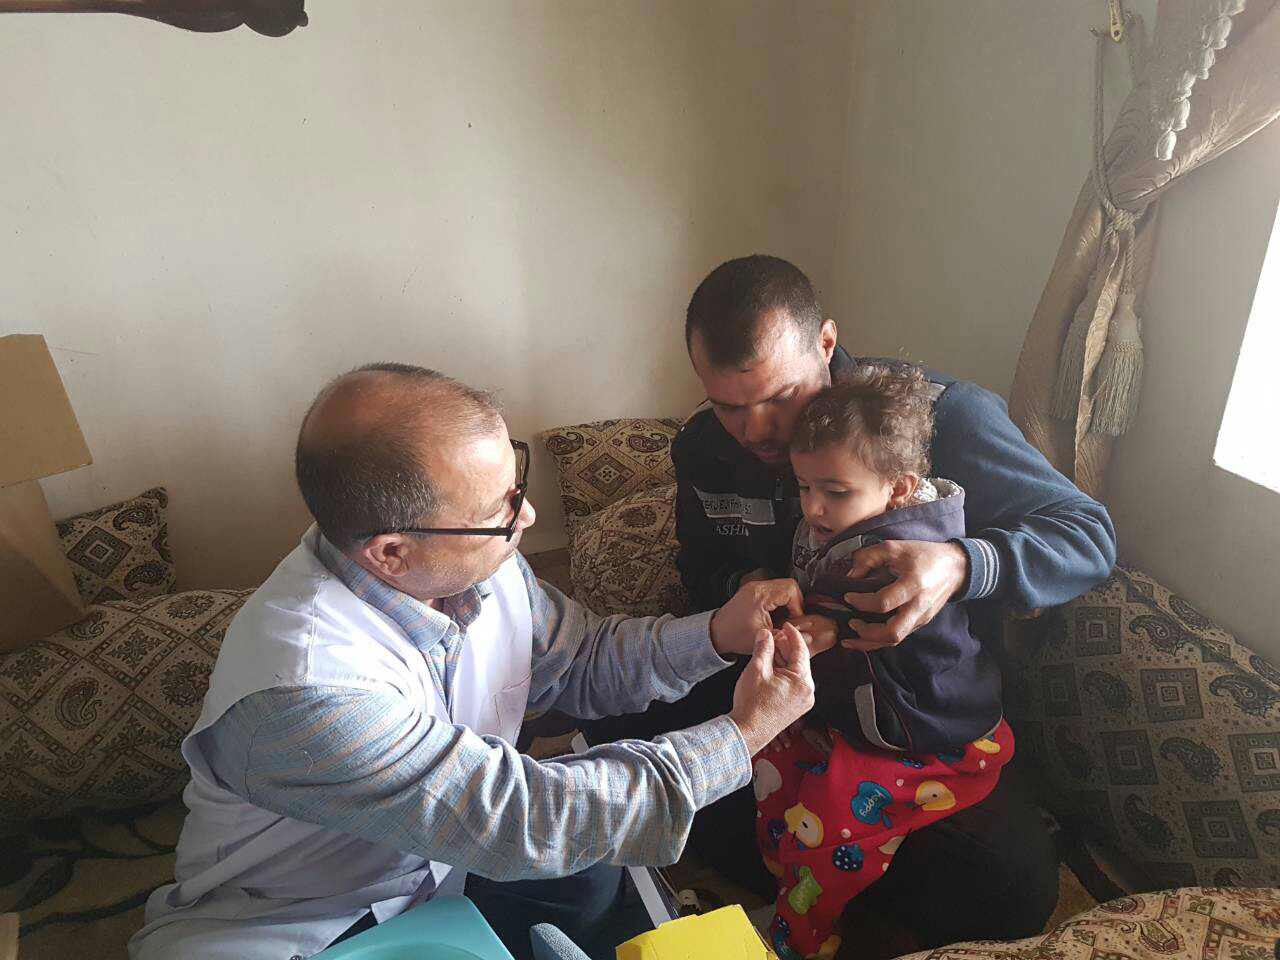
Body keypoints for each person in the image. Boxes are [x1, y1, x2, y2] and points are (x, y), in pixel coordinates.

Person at [128, 362, 829, 960]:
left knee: (594, 874)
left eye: (514, 480)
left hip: (443, 868)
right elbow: (527, 818)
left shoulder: (472, 565)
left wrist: (717, 634)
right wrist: (740, 736)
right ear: (392, 552)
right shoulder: (304, 688)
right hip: (305, 926)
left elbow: (580, 656)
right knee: (572, 843)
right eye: (501, 509)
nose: (525, 517)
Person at [584, 255, 1116, 949]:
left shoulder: (941, 419)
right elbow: (701, 567)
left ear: (826, 344)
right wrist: (744, 595)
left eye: (779, 397)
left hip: (912, 717)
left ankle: (813, 870)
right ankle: (817, 866)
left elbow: (1087, 536)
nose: (756, 430)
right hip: (777, 692)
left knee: (1013, 888)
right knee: (610, 731)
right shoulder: (704, 448)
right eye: (728, 404)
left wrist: (958, 565)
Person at [753, 364, 1015, 960]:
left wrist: (832, 626)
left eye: (834, 492)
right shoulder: (843, 517)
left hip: (924, 726)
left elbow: (888, 622)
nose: (814, 507)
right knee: (764, 754)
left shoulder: (908, 544)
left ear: (898, 488)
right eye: (803, 487)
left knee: (829, 819)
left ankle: (803, 933)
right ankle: (782, 875)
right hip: (854, 703)